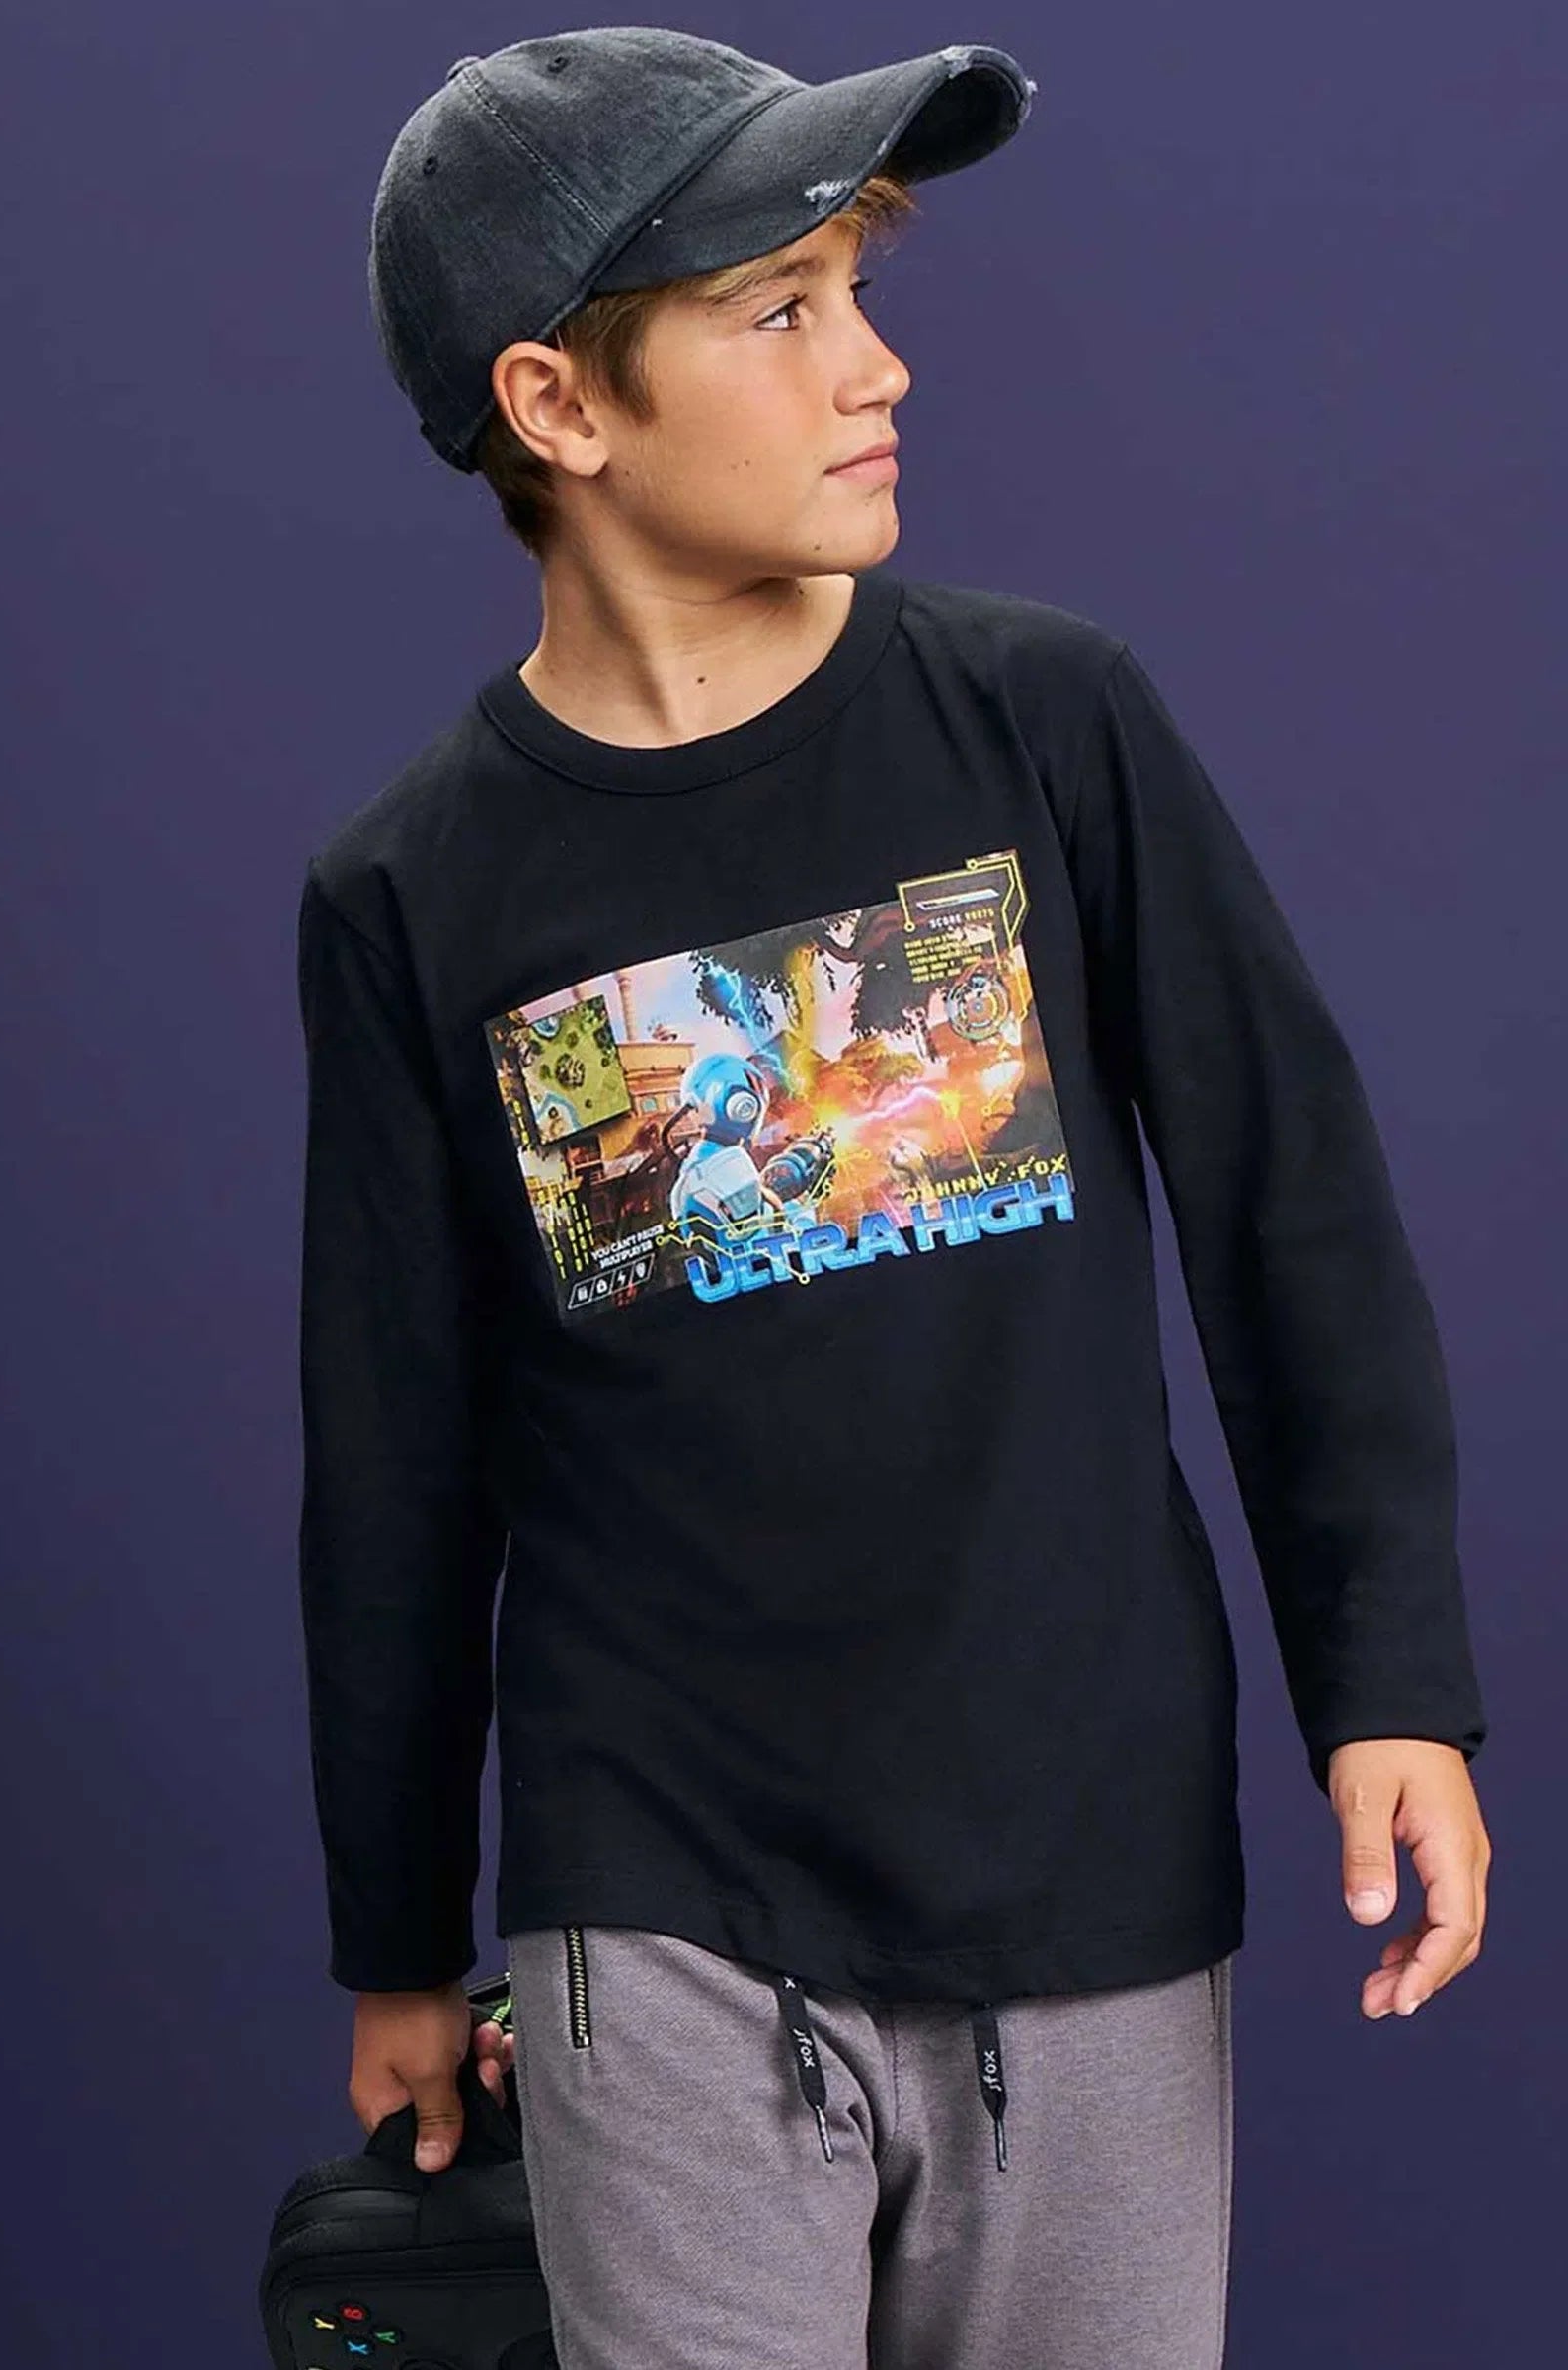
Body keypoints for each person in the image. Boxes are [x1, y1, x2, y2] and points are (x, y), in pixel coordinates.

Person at [294, 30, 1491, 2370]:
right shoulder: (413, 896)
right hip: (654, 1900)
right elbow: (396, 1459)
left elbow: (1294, 1223)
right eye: (779, 309)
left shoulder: (1046, 725)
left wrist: (1387, 1685)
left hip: (1087, 1863)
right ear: (557, 406)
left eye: (856, 290)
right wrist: (394, 1940)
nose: (876, 364)